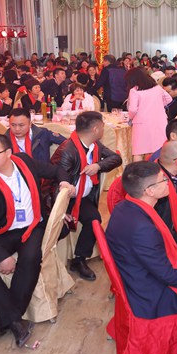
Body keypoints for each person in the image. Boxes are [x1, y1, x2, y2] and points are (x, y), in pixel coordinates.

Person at [0, 134, 71, 347]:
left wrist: (64, 182)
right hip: (1, 232)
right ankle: (14, 321)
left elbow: (56, 170)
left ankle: (7, 320)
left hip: (32, 225)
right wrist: (2, 256)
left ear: (8, 153)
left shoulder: (24, 162)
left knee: (30, 258)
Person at [105, 161, 177, 319]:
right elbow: (167, 275)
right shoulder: (142, 229)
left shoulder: (125, 207)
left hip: (147, 273)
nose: (168, 182)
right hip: (152, 295)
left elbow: (164, 249)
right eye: (163, 179)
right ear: (150, 191)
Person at [51, 112, 122, 280]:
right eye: (102, 126)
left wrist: (98, 165)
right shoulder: (68, 151)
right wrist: (60, 211)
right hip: (66, 199)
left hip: (83, 197)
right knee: (81, 222)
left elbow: (116, 158)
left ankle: (79, 259)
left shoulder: (94, 145)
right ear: (96, 129)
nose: (103, 129)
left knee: (94, 219)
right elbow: (54, 184)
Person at [127, 68, 172, 161]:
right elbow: (169, 99)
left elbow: (133, 109)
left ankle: (139, 170)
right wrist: (158, 106)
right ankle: (158, 168)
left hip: (141, 123)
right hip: (160, 121)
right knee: (158, 148)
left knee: (138, 151)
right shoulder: (156, 88)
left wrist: (130, 118)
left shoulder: (134, 91)